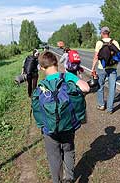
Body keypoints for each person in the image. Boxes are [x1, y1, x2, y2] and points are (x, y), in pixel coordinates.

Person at [32, 51, 89, 183]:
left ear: (42, 68)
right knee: (68, 150)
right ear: (56, 63)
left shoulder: (42, 85)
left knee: (54, 156)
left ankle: (56, 180)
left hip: (49, 130)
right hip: (68, 124)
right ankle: (69, 178)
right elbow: (85, 88)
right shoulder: (67, 76)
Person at [91, 26, 120, 113]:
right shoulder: (115, 42)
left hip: (102, 68)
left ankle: (101, 105)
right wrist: (115, 66)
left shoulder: (99, 43)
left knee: (100, 86)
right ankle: (110, 109)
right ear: (109, 33)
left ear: (102, 33)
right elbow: (118, 56)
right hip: (112, 68)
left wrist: (92, 68)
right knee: (112, 88)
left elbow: (96, 57)